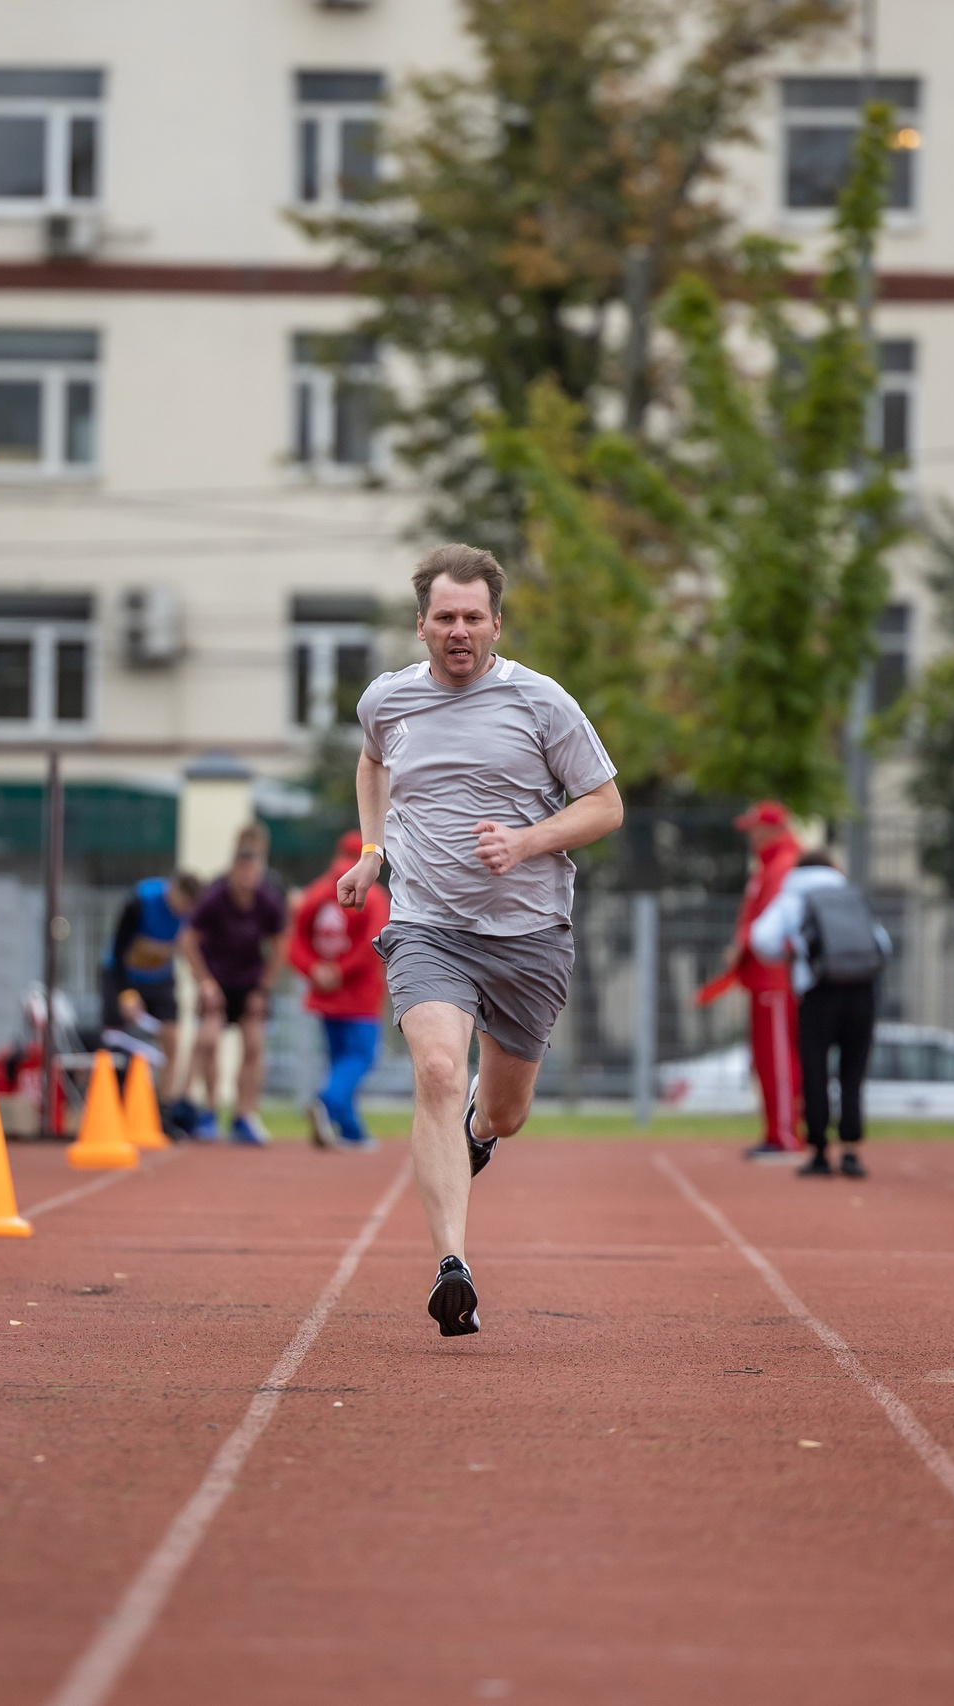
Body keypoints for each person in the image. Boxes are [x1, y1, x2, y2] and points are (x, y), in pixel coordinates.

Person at [341, 545, 622, 1337]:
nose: (458, 630)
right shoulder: (387, 702)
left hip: (529, 933)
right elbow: (371, 765)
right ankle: (451, 1266)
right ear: (421, 624)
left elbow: (606, 806)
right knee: (434, 1067)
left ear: (496, 623)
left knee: (505, 1110)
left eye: (473, 618)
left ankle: (478, 1130)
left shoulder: (543, 704)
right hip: (428, 924)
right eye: (444, 618)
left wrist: (527, 842)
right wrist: (372, 853)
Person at [750, 850, 891, 1181]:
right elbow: (883, 945)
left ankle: (819, 1152)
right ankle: (851, 1150)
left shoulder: (793, 895)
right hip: (862, 990)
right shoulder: (851, 895)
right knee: (852, 1073)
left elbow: (762, 938)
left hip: (818, 990)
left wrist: (789, 953)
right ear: (834, 868)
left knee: (815, 1070)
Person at [179, 823, 287, 1144]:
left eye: (254, 863)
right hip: (218, 980)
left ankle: (244, 1115)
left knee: (254, 1044)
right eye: (242, 862)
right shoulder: (214, 896)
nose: (247, 872)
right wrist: (205, 983)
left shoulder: (268, 898)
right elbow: (188, 941)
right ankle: (208, 1110)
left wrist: (264, 989)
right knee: (208, 1040)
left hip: (249, 981)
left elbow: (280, 944)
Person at [287, 830, 390, 1152]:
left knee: (340, 1063)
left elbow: (294, 944)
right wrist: (341, 971)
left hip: (324, 995)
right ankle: (326, 1102)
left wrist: (316, 970)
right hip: (359, 995)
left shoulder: (316, 893)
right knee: (360, 1058)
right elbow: (373, 943)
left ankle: (351, 1131)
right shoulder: (373, 896)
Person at [100, 870, 203, 1123]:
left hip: (159, 978)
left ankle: (163, 1107)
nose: (183, 912)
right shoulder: (141, 900)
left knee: (171, 1037)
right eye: (182, 904)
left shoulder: (191, 916)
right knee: (115, 1036)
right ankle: (112, 1101)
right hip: (123, 973)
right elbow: (119, 946)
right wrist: (126, 993)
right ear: (173, 891)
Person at [734, 802, 804, 1159]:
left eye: (755, 829)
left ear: (772, 830)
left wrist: (743, 944)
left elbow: (778, 926)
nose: (751, 837)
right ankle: (778, 1131)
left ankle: (785, 1134)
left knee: (778, 1058)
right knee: (769, 1058)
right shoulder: (773, 866)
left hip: (775, 979)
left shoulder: (783, 866)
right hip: (765, 977)